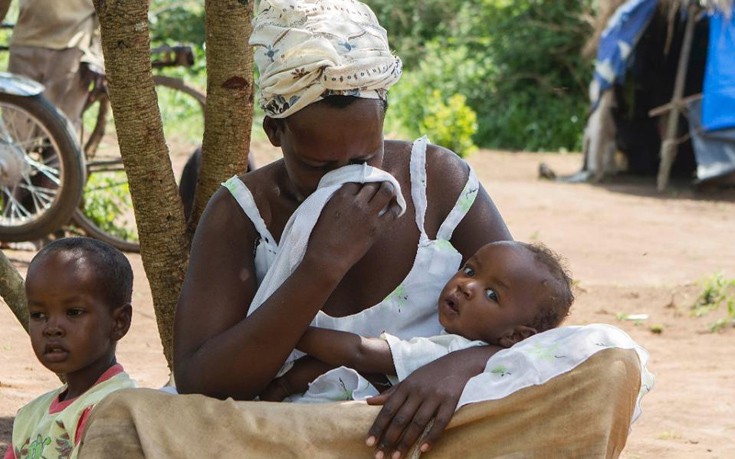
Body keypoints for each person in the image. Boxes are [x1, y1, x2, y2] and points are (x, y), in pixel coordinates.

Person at [77, 1, 651, 457]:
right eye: (320, 166)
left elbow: (530, 325)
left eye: (366, 152)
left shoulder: (436, 180)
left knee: (609, 360)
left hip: (440, 427)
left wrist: (457, 366)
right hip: (299, 431)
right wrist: (321, 265)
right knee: (128, 422)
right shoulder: (241, 213)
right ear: (276, 134)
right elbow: (203, 380)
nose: (350, 176)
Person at [261, 240, 574, 402]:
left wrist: (291, 330)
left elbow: (360, 353)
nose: (467, 286)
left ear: (515, 337)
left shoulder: (454, 352)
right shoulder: (453, 339)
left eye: (492, 295)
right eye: (470, 271)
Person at [4, 237, 137, 459]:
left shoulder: (117, 409)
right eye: (39, 315)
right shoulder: (30, 416)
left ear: (119, 322)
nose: (52, 328)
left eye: (74, 312)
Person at [0, 0, 103, 130]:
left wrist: (96, 55)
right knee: (14, 126)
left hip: (73, 44)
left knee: (63, 129)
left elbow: (110, 8)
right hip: (26, 40)